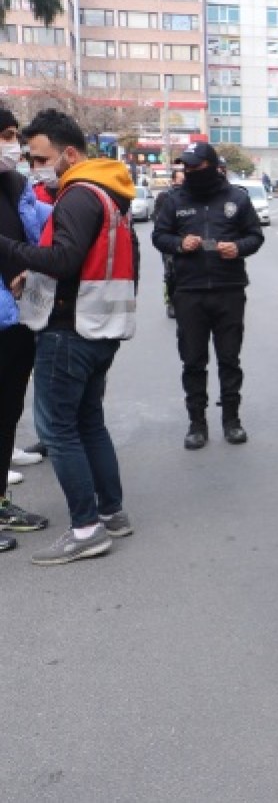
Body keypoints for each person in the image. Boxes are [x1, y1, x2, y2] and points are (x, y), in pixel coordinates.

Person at [0, 108, 138, 565]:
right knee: (87, 422)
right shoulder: (110, 193)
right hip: (99, 329)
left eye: (40, 157)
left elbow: (64, 260)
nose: (33, 164)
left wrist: (9, 250)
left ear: (70, 153)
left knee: (58, 430)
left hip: (71, 331)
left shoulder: (78, 195)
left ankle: (85, 528)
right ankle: (110, 512)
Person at [151, 141, 264, 450]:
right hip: (189, 292)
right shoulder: (175, 199)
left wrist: (238, 247)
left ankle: (232, 420)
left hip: (229, 291)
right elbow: (158, 236)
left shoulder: (237, 198)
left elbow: (255, 235)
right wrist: (178, 244)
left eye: (196, 168)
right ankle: (197, 424)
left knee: (229, 359)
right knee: (193, 361)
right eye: (185, 168)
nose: (190, 173)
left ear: (212, 167)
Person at [0, 107, 53, 550]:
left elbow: (42, 230)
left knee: (7, 411)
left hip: (16, 321)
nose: (11, 145)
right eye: (6, 136)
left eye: (12, 135)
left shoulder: (15, 185)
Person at [153, 165, 184, 319]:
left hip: (189, 242)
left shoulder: (190, 197)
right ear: (172, 181)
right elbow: (158, 220)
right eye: (179, 181)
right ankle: (171, 301)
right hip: (170, 243)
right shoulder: (164, 198)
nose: (181, 185)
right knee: (170, 273)